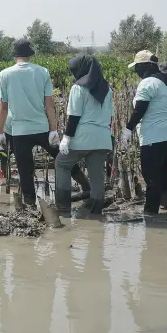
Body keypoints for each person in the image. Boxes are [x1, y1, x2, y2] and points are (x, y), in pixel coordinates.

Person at [0, 39, 90, 208]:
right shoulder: (42, 72)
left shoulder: (5, 74)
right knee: (64, 157)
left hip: (19, 131)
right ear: (30, 54)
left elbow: (3, 106)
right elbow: (49, 104)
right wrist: (53, 130)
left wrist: (0, 132)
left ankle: (30, 204)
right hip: (42, 128)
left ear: (15, 55)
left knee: (25, 171)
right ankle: (86, 185)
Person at [120, 50, 167, 215]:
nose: (136, 70)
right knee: (164, 171)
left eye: (137, 67)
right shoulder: (166, 82)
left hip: (154, 136)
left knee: (151, 176)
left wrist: (127, 130)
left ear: (145, 66)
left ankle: (151, 215)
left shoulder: (147, 83)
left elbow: (140, 109)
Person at [55, 54, 113, 216]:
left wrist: (66, 139)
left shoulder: (78, 88)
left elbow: (74, 117)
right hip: (102, 138)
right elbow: (110, 117)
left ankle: (63, 209)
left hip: (82, 137)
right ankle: (95, 212)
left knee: (62, 164)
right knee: (96, 177)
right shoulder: (108, 89)